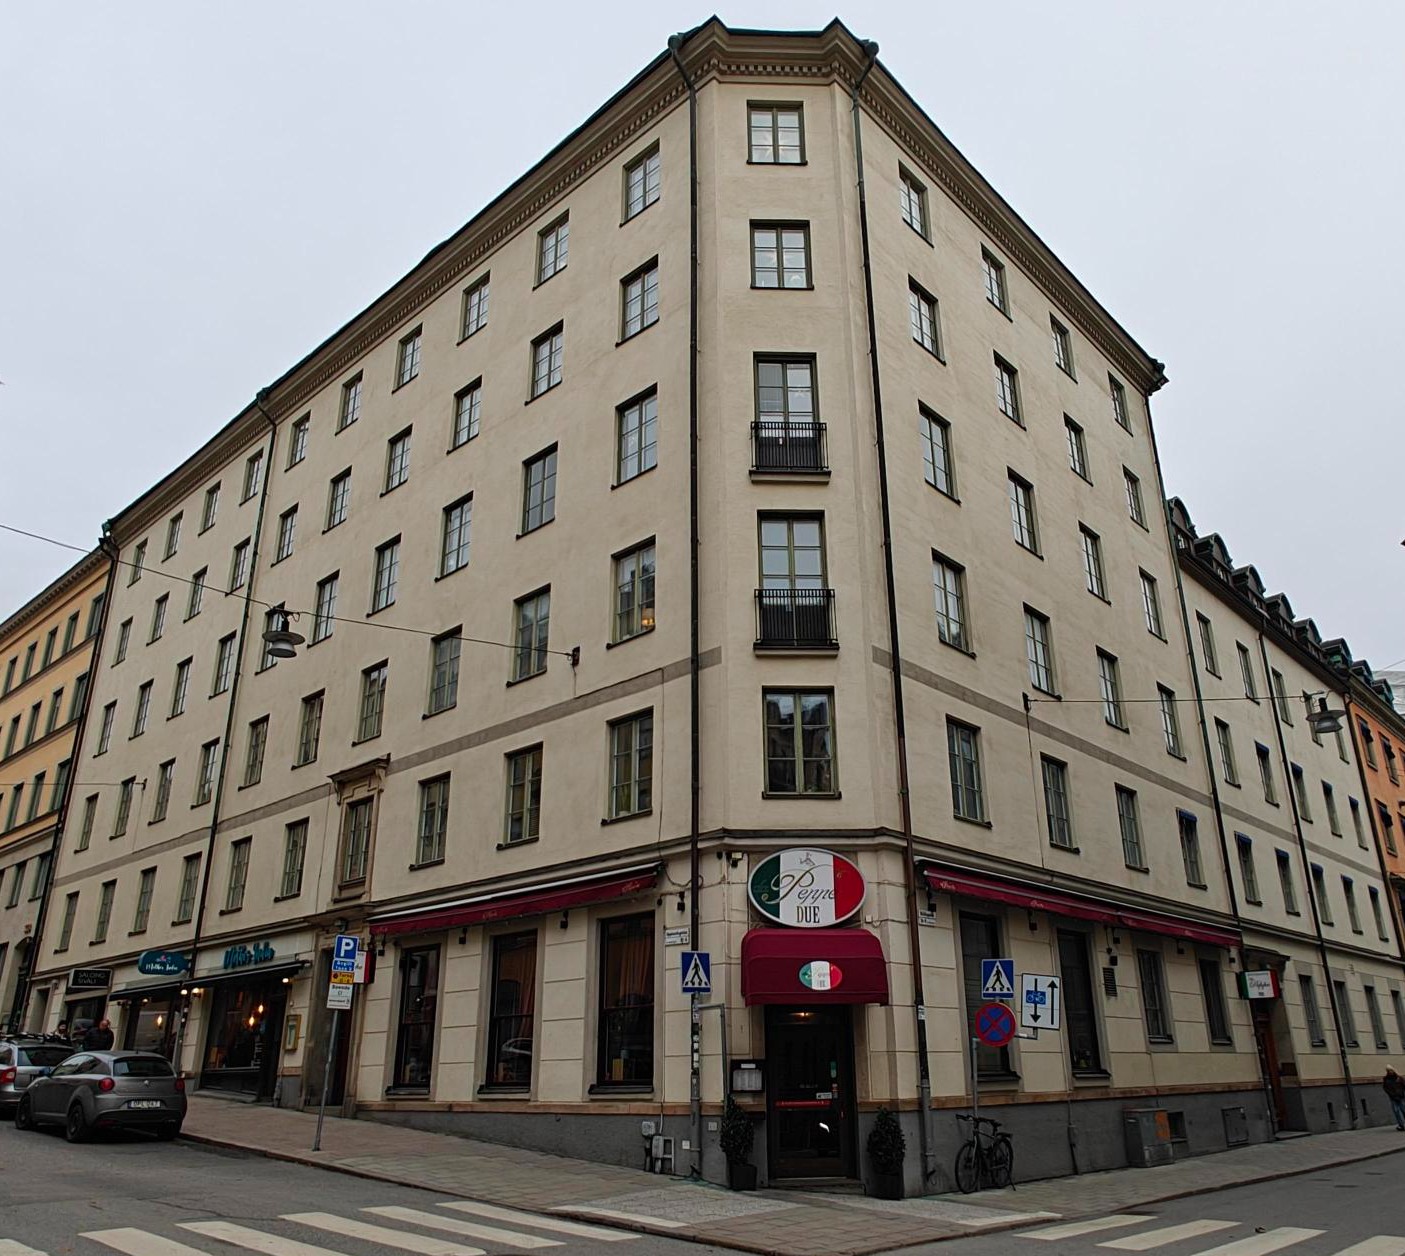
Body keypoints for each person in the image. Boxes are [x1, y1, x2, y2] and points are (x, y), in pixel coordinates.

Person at [1385, 1066, 1405, 1131]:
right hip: (1393, 1098)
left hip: (1401, 1097)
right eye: (1388, 1071)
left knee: (1404, 1110)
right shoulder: (1386, 1079)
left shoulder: (1399, 1078)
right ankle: (1401, 1125)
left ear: (1393, 1070)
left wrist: (1402, 1093)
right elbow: (1386, 1089)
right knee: (1396, 1112)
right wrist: (1393, 1095)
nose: (1390, 1072)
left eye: (1391, 1070)